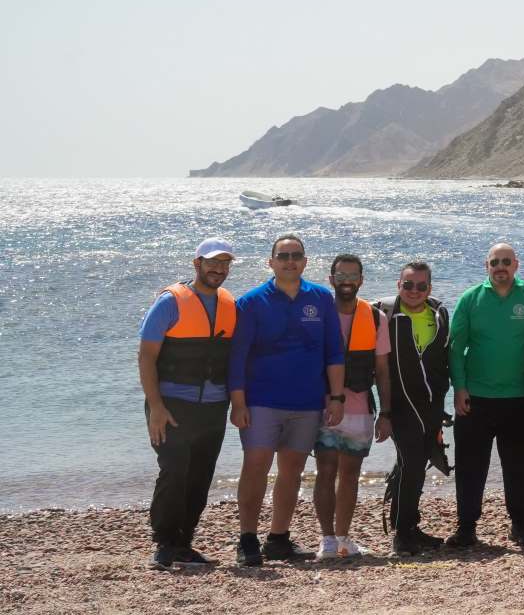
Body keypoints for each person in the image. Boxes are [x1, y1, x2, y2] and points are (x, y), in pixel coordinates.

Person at [226, 235, 346, 566]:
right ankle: (247, 539)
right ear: (271, 262)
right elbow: (237, 358)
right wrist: (238, 403)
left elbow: (334, 352)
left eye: (296, 255)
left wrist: (337, 397)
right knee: (256, 467)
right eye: (283, 256)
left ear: (305, 261)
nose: (290, 261)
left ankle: (278, 538)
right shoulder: (250, 302)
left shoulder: (321, 298)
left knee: (292, 470)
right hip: (261, 401)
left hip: (307, 403)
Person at [137, 237, 237, 568]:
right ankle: (164, 543)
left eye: (224, 263)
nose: (218, 269)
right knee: (174, 471)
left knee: (200, 476)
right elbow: (146, 356)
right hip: (172, 405)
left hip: (213, 406)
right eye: (212, 262)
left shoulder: (229, 304)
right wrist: (156, 407)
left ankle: (184, 543)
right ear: (197, 264)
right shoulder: (170, 302)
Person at [446, 243, 524, 552]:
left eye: (505, 261)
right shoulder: (470, 298)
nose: (500, 267)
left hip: (518, 398)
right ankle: (466, 527)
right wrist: (459, 388)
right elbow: (455, 348)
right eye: (494, 262)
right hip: (475, 398)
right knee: (470, 466)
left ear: (516, 264)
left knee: (518, 466)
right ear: (486, 266)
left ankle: (521, 525)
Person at [311, 253, 391, 559]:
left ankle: (343, 537)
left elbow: (382, 370)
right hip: (322, 405)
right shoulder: (319, 314)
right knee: (325, 469)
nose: (347, 281)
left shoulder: (375, 317)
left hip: (360, 408)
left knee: (350, 474)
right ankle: (327, 539)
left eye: (352, 276)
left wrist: (386, 413)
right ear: (331, 280)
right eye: (341, 276)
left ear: (361, 280)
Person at [379, 260, 451, 555]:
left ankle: (409, 526)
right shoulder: (383, 314)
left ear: (429, 288)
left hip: (432, 405)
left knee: (417, 463)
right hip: (399, 404)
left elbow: (446, 357)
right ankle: (402, 534)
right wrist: (381, 411)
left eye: (421, 286)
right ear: (399, 285)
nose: (414, 290)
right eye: (408, 285)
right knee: (411, 463)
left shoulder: (440, 314)